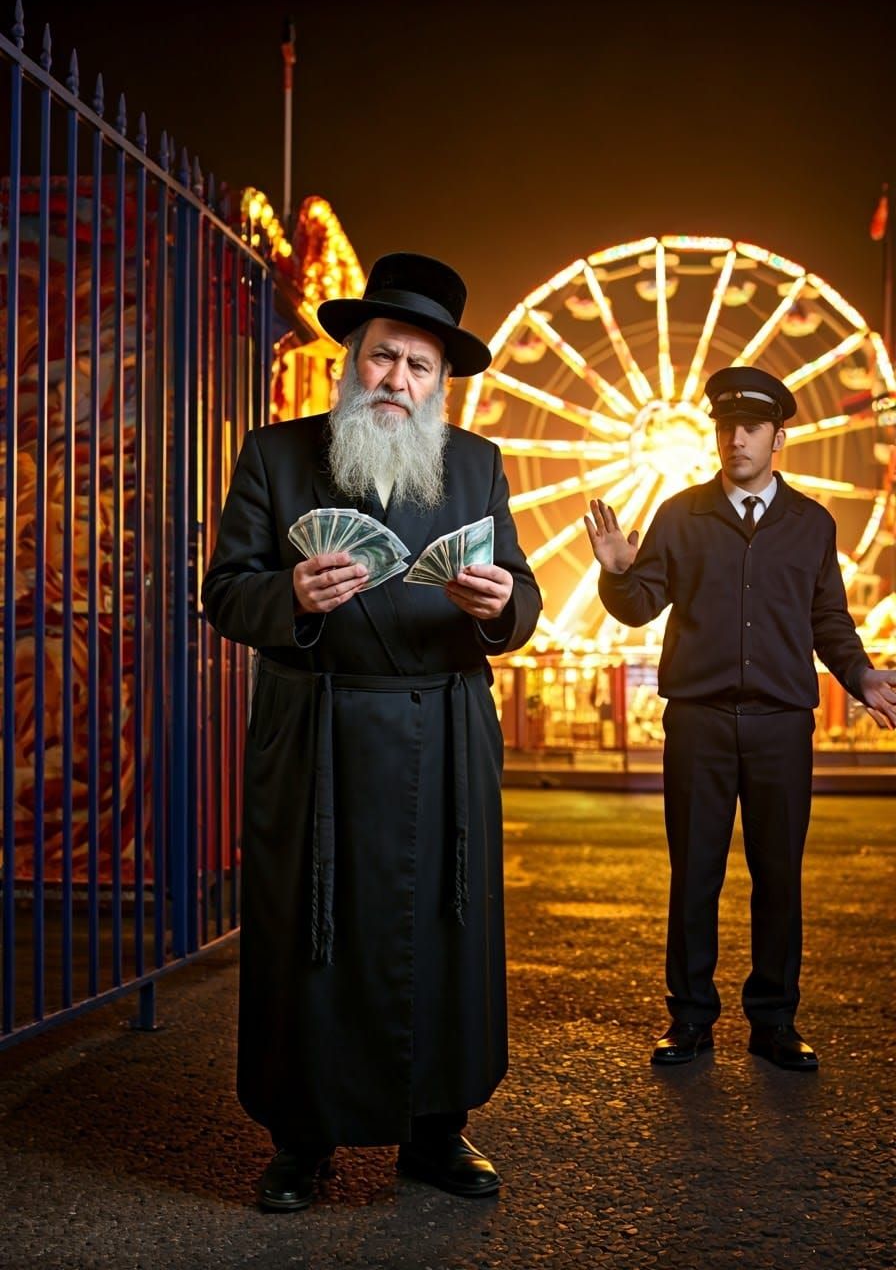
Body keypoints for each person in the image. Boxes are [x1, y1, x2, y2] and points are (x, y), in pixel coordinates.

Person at [202, 252, 541, 1210]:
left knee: (445, 928)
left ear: (441, 383)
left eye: (418, 365)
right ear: (352, 360)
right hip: (318, 734)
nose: (397, 379)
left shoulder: (477, 464)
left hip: (444, 735)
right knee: (305, 936)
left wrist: (502, 605)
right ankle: (300, 1140)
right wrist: (291, 593)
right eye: (383, 357)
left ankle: (437, 1131)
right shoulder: (275, 455)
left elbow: (525, 593)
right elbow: (224, 592)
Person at [585, 365, 896, 1072]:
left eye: (751, 429)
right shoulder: (678, 514)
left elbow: (829, 620)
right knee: (693, 874)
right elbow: (639, 607)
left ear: (778, 438)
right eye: (726, 428)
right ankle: (690, 1018)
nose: (736, 440)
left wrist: (860, 674)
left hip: (782, 723)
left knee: (779, 875)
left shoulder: (813, 524)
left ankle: (774, 1021)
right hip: (697, 720)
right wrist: (616, 569)